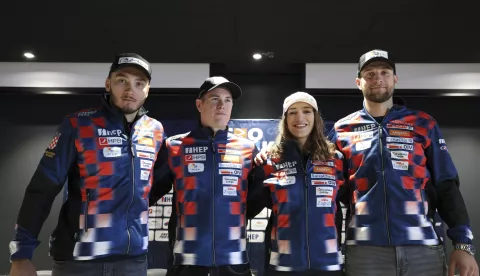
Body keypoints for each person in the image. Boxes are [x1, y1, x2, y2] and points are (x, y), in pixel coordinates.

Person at [9, 53, 165, 276]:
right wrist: (21, 254)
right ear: (108, 83)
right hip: (79, 260)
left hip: (133, 261)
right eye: (122, 80)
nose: (130, 90)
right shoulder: (78, 124)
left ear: (147, 89)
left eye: (139, 83)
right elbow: (42, 189)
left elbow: (156, 184)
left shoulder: (155, 130)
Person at [328, 49, 479, 276]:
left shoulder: (422, 123)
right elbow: (321, 181)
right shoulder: (342, 130)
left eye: (384, 72)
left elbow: (446, 185)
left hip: (422, 248)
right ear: (358, 82)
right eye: (369, 74)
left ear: (395, 78)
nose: (377, 78)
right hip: (365, 250)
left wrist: (463, 244)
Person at [149, 76, 265, 276]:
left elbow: (256, 199)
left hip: (233, 259)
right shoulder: (175, 146)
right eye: (214, 99)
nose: (222, 105)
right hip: (186, 260)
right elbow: (148, 193)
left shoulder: (248, 148)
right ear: (199, 104)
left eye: (228, 100)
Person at [251, 92, 347, 276]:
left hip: (328, 265)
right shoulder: (270, 160)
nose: (300, 118)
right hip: (284, 265)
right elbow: (249, 207)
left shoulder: (336, 159)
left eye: (306, 111)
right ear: (285, 119)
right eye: (292, 112)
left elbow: (351, 202)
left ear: (315, 117)